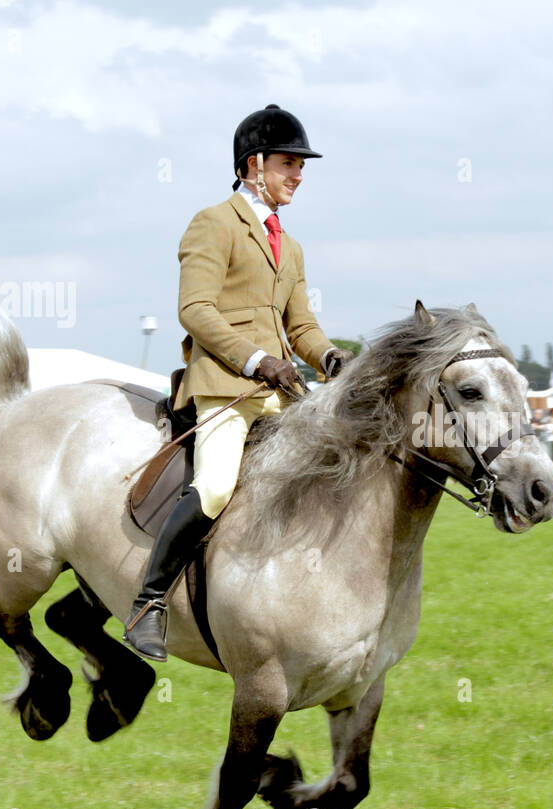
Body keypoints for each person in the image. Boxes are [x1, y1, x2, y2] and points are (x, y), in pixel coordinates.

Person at [124, 105, 352, 663]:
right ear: (254, 165)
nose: (298, 174)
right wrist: (256, 360)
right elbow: (195, 309)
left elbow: (301, 325)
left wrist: (330, 358)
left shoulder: (289, 246)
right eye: (288, 163)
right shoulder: (213, 223)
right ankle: (148, 605)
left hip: (282, 393)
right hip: (226, 388)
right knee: (220, 485)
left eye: (301, 165)